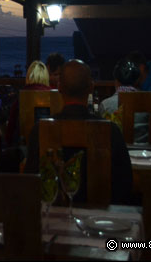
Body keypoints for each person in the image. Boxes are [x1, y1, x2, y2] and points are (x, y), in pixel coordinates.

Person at [24, 59, 133, 205]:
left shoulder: (40, 130)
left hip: (54, 218)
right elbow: (125, 185)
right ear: (91, 88)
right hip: (99, 220)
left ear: (59, 87)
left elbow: (30, 183)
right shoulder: (111, 131)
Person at [99, 58, 151, 143]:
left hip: (118, 155)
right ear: (137, 81)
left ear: (116, 81)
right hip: (150, 154)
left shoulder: (105, 105)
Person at [5, 60, 51, 146]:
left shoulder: (20, 99)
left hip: (23, 151)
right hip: (49, 150)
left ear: (28, 77)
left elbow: (10, 132)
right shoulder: (54, 98)